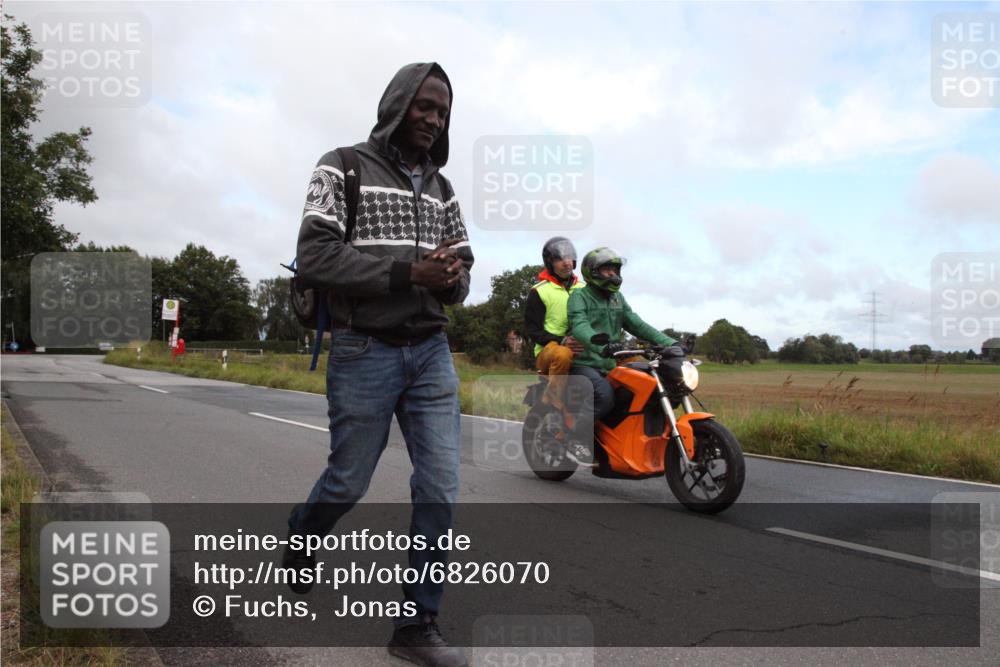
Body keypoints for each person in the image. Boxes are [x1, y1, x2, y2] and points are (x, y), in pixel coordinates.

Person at [286, 62, 473, 667]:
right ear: (397, 103)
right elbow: (314, 255)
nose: (434, 119)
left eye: (442, 111)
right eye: (425, 106)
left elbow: (462, 281)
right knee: (348, 481)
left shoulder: (443, 189)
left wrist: (451, 278)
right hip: (363, 348)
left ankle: (417, 625)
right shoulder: (340, 166)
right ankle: (304, 534)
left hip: (431, 353)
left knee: (440, 486)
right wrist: (406, 272)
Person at [566, 247, 676, 461]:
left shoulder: (618, 298)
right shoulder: (580, 296)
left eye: (615, 270)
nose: (613, 275)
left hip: (610, 365)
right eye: (607, 270)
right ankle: (574, 437)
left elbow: (637, 324)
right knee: (605, 397)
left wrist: (671, 343)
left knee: (646, 388)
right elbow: (580, 326)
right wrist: (603, 345)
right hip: (584, 364)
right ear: (593, 272)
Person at [523, 237, 584, 420]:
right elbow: (532, 331)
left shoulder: (584, 289)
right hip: (548, 352)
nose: (566, 263)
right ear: (550, 263)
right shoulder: (539, 291)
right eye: (559, 259)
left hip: (579, 348)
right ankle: (552, 400)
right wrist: (562, 340)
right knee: (562, 354)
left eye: (569, 257)